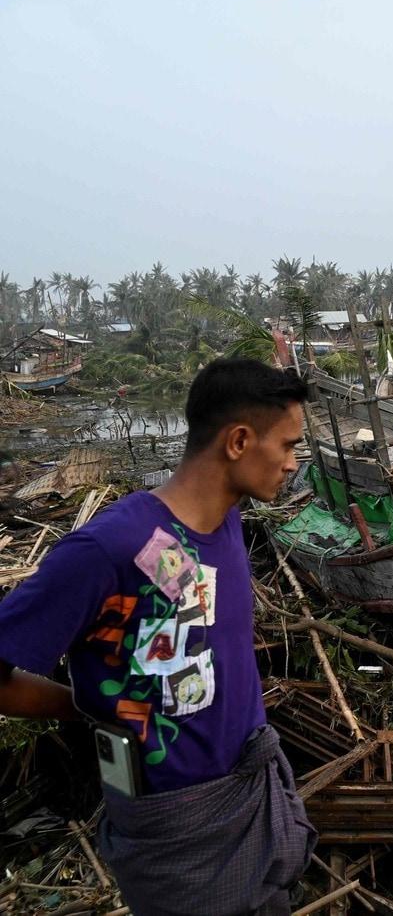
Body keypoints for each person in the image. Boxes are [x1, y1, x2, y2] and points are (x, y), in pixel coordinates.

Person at [0, 358, 317, 916]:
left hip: (250, 797)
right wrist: (84, 708)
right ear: (239, 441)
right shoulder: (108, 549)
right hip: (178, 834)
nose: (294, 463)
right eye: (288, 445)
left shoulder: (226, 523)